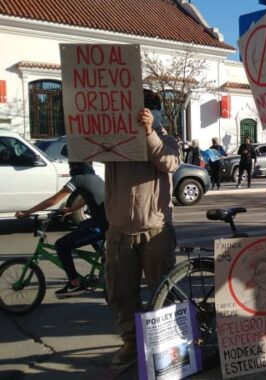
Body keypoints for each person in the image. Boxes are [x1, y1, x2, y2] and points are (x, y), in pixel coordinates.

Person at [105, 89, 180, 367]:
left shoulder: (167, 139)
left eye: (149, 110)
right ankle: (131, 342)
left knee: (162, 290)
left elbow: (168, 161)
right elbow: (90, 153)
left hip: (156, 229)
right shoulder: (114, 141)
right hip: (120, 230)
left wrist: (149, 133)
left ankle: (167, 349)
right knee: (122, 292)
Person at [15, 161, 107, 297]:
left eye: (71, 165)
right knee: (83, 225)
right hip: (104, 222)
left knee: (61, 245)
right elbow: (86, 198)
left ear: (76, 166)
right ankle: (105, 257)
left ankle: (75, 283)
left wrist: (27, 212)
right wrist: (70, 209)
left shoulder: (78, 179)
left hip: (99, 225)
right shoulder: (95, 178)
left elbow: (53, 200)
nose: (70, 168)